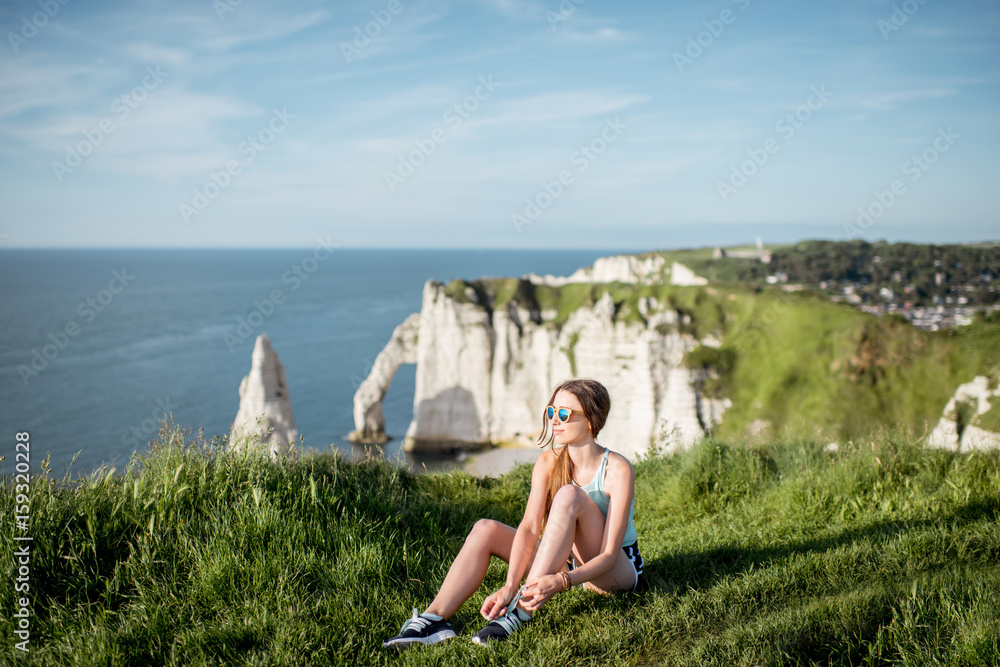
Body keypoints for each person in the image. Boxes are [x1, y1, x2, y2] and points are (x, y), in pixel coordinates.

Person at [383, 377, 643, 649]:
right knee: (485, 529)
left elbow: (609, 554)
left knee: (569, 495)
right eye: (551, 412)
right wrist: (509, 584)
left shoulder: (617, 470)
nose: (554, 420)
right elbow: (530, 528)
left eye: (564, 414)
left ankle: (518, 614)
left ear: (591, 421)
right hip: (568, 561)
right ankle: (433, 620)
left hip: (614, 571)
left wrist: (562, 581)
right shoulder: (547, 462)